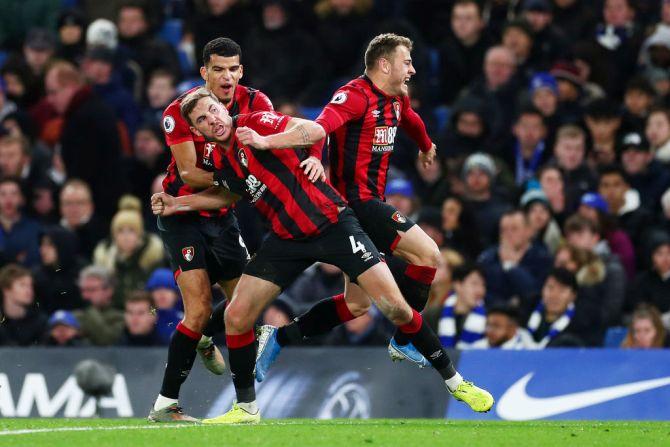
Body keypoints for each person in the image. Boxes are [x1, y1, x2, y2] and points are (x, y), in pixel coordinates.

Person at [152, 87, 493, 423]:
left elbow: (312, 129)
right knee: (237, 315)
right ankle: (245, 409)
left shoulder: (256, 122)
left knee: (394, 307)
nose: (212, 119)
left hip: (332, 224)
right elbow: (227, 195)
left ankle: (456, 382)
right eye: (202, 119)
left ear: (223, 107)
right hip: (286, 238)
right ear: (196, 131)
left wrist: (303, 152)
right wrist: (176, 203)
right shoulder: (219, 160)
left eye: (213, 110)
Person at [150, 37, 287, 423]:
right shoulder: (179, 112)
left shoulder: (258, 105)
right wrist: (236, 180)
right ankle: (165, 405)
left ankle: (219, 358)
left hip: (222, 215)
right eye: (218, 69)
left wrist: (239, 183)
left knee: (245, 305)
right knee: (196, 309)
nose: (226, 77)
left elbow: (257, 168)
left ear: (241, 71)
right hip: (182, 216)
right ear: (204, 73)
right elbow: (191, 172)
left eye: (233, 69)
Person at [478, 209, 553, 311]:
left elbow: (534, 294)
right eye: (503, 230)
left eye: (514, 229)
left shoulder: (543, 259)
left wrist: (511, 266)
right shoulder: (487, 259)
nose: (508, 234)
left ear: (529, 231)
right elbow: (482, 292)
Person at [433, 263, 487, 349]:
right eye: (474, 284)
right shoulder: (434, 315)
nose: (480, 291)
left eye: (483, 285)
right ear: (457, 285)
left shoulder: (489, 318)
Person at [72, 266, 125, 346]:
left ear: (109, 291)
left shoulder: (121, 317)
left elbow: (106, 339)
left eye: (92, 290)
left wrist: (90, 310)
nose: (85, 296)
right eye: (83, 290)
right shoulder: (75, 315)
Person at [0, 263, 46, 346]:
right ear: (6, 290)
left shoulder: (40, 321)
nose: (29, 290)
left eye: (30, 286)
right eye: (22, 285)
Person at [0, 176, 41, 267]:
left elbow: (33, 260)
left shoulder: (34, 228)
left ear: (22, 199)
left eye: (14, 194)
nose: (8, 199)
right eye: (3, 194)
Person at [470, 304, 536, 349]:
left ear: (513, 328)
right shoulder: (477, 348)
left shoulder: (527, 351)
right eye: (488, 325)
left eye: (496, 326)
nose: (490, 330)